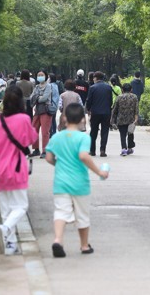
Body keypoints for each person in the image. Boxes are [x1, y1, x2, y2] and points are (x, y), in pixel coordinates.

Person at [45, 103, 109, 258]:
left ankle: (58, 240)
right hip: (80, 183)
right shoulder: (83, 137)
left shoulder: (56, 137)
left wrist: (59, 164)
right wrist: (99, 171)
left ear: (64, 117)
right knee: (82, 214)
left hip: (61, 182)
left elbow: (48, 158)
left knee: (61, 212)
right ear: (82, 119)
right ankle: (84, 245)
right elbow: (83, 156)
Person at [0, 85, 38, 255]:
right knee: (20, 206)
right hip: (17, 169)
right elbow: (32, 138)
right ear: (21, 101)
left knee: (6, 209)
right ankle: (5, 229)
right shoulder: (23, 119)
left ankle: (11, 245)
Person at [86, 71, 113, 157]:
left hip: (95, 112)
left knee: (93, 131)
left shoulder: (92, 87)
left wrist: (88, 110)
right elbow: (110, 101)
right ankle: (102, 150)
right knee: (105, 132)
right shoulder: (109, 87)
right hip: (106, 112)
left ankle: (92, 150)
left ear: (95, 78)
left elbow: (89, 100)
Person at [29, 70, 52, 158]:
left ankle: (45, 150)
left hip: (46, 110)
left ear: (46, 76)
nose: (40, 76)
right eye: (38, 75)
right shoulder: (37, 86)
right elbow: (31, 97)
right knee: (34, 129)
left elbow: (44, 98)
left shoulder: (48, 86)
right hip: (37, 110)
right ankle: (36, 149)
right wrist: (39, 97)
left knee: (45, 132)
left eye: (42, 75)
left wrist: (37, 97)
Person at [111, 83, 138, 156]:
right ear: (131, 89)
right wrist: (136, 119)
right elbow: (136, 109)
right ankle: (129, 148)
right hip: (131, 119)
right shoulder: (134, 97)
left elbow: (115, 110)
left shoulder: (119, 97)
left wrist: (112, 120)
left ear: (122, 89)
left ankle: (123, 149)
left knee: (122, 134)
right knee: (130, 133)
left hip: (121, 119)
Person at [49, 73, 60, 138]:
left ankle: (51, 133)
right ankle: (54, 132)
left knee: (50, 120)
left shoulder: (50, 86)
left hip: (51, 105)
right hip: (55, 105)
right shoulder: (56, 85)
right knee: (53, 120)